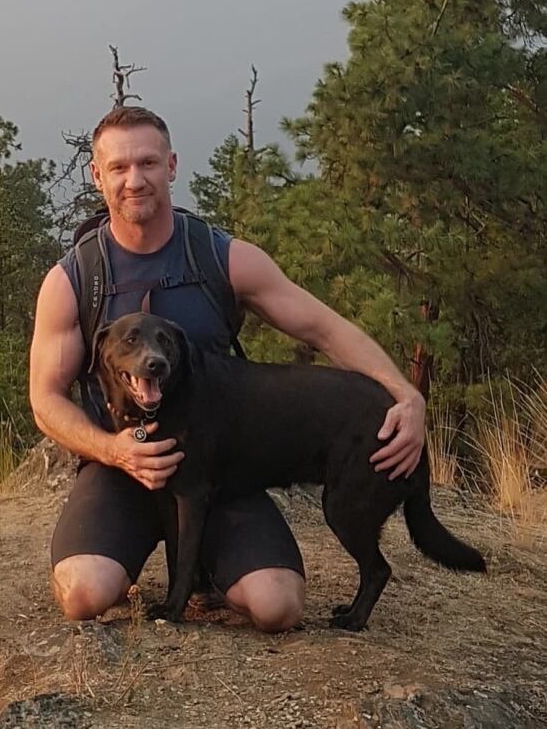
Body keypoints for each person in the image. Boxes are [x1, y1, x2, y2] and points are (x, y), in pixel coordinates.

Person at [29, 107, 426, 633]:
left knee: (278, 606)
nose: (135, 179)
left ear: (171, 166)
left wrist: (405, 395)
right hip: (117, 471)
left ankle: (208, 569)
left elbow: (325, 330)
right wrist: (114, 451)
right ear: (97, 176)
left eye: (147, 162)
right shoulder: (76, 277)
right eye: (119, 167)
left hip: (214, 477)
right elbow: (46, 399)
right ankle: (141, 555)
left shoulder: (220, 258)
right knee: (84, 594)